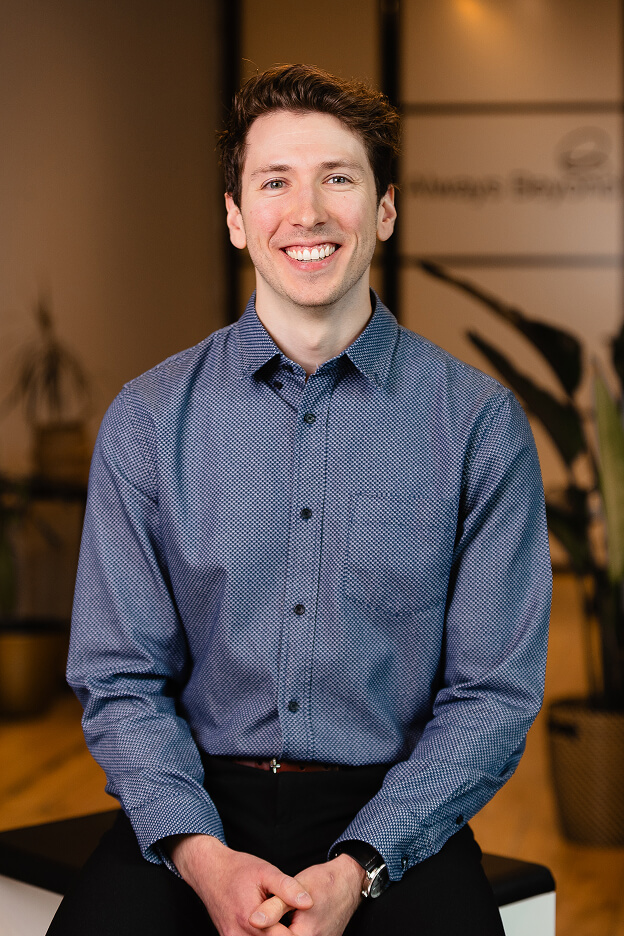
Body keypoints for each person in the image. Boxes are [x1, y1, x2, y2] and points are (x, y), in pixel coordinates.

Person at [49, 64, 551, 936]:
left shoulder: (478, 425)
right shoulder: (147, 420)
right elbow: (120, 678)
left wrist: (359, 869)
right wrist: (203, 858)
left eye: (338, 178)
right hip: (196, 797)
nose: (307, 211)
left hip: (391, 812)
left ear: (385, 210)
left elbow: (494, 695)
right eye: (275, 181)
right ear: (238, 218)